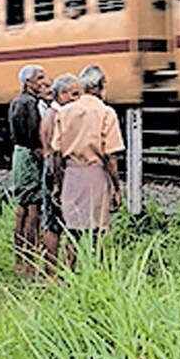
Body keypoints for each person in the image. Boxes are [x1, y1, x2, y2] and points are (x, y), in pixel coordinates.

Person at [51, 65, 125, 270]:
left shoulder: (65, 112)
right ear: (101, 86)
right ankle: (95, 273)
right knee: (97, 232)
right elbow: (111, 156)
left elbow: (56, 154)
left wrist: (57, 184)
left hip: (72, 176)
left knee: (73, 232)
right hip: (96, 176)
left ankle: (67, 273)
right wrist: (116, 187)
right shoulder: (106, 113)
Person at [40, 73, 81, 280]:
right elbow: (56, 152)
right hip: (58, 171)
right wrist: (58, 181)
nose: (77, 98)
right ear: (62, 94)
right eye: (74, 94)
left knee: (54, 222)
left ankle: (54, 272)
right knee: (57, 223)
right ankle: (56, 272)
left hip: (55, 170)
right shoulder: (57, 116)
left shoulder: (51, 114)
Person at [8, 64, 46, 276]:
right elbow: (32, 133)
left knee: (22, 206)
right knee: (32, 208)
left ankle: (20, 257)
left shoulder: (18, 101)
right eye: (39, 78)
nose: (42, 82)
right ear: (28, 82)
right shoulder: (30, 103)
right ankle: (29, 259)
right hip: (30, 157)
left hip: (20, 155)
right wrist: (40, 151)